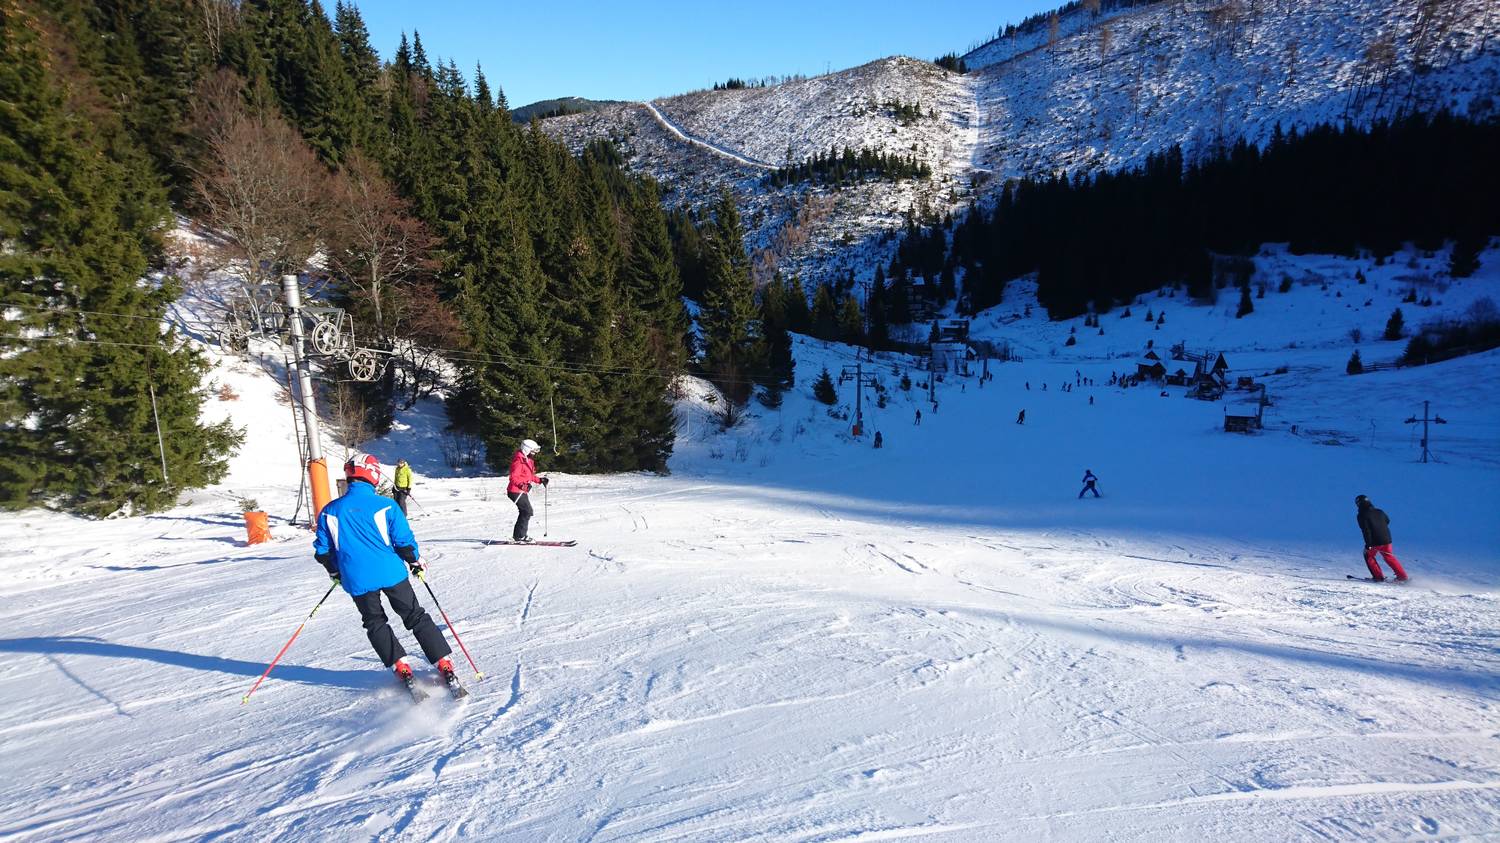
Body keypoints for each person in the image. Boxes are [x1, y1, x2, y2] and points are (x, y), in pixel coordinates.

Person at [315, 454, 457, 687]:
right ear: (372, 474)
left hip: (356, 578)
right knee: (415, 615)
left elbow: (322, 551)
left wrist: (335, 571)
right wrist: (414, 561)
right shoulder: (386, 505)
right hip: (391, 573)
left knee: (374, 621)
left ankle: (399, 665)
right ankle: (442, 661)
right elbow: (403, 542)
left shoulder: (330, 510)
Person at [1356, 495, 1408, 581]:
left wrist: (1368, 544)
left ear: (1359, 504)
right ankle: (1402, 577)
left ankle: (1378, 577)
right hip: (1387, 540)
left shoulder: (1361, 515)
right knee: (1389, 557)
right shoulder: (1380, 511)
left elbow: (1366, 530)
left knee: (1368, 555)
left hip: (1375, 541)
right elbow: (1387, 521)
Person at [507, 438, 549, 542]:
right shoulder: (519, 461)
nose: (534, 453)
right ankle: (520, 536)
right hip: (515, 491)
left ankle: (518, 536)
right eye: (533, 451)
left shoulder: (527, 460)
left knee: (525, 511)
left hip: (521, 491)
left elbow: (529, 476)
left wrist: (540, 480)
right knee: (527, 511)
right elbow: (513, 478)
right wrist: (522, 485)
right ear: (527, 449)